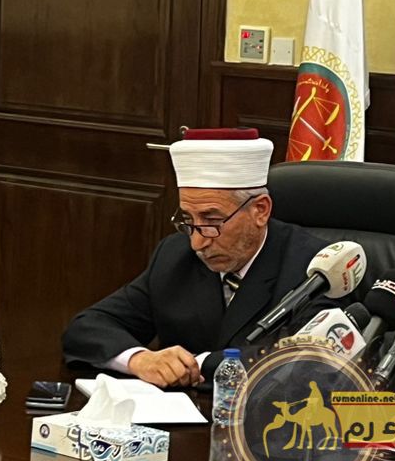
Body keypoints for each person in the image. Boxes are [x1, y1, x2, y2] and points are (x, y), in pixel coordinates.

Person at [62, 129, 335, 387]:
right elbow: (86, 328)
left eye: (212, 220)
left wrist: (194, 365)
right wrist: (140, 359)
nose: (197, 242)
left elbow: (303, 359)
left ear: (260, 211)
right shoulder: (175, 256)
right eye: (188, 220)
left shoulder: (319, 269)